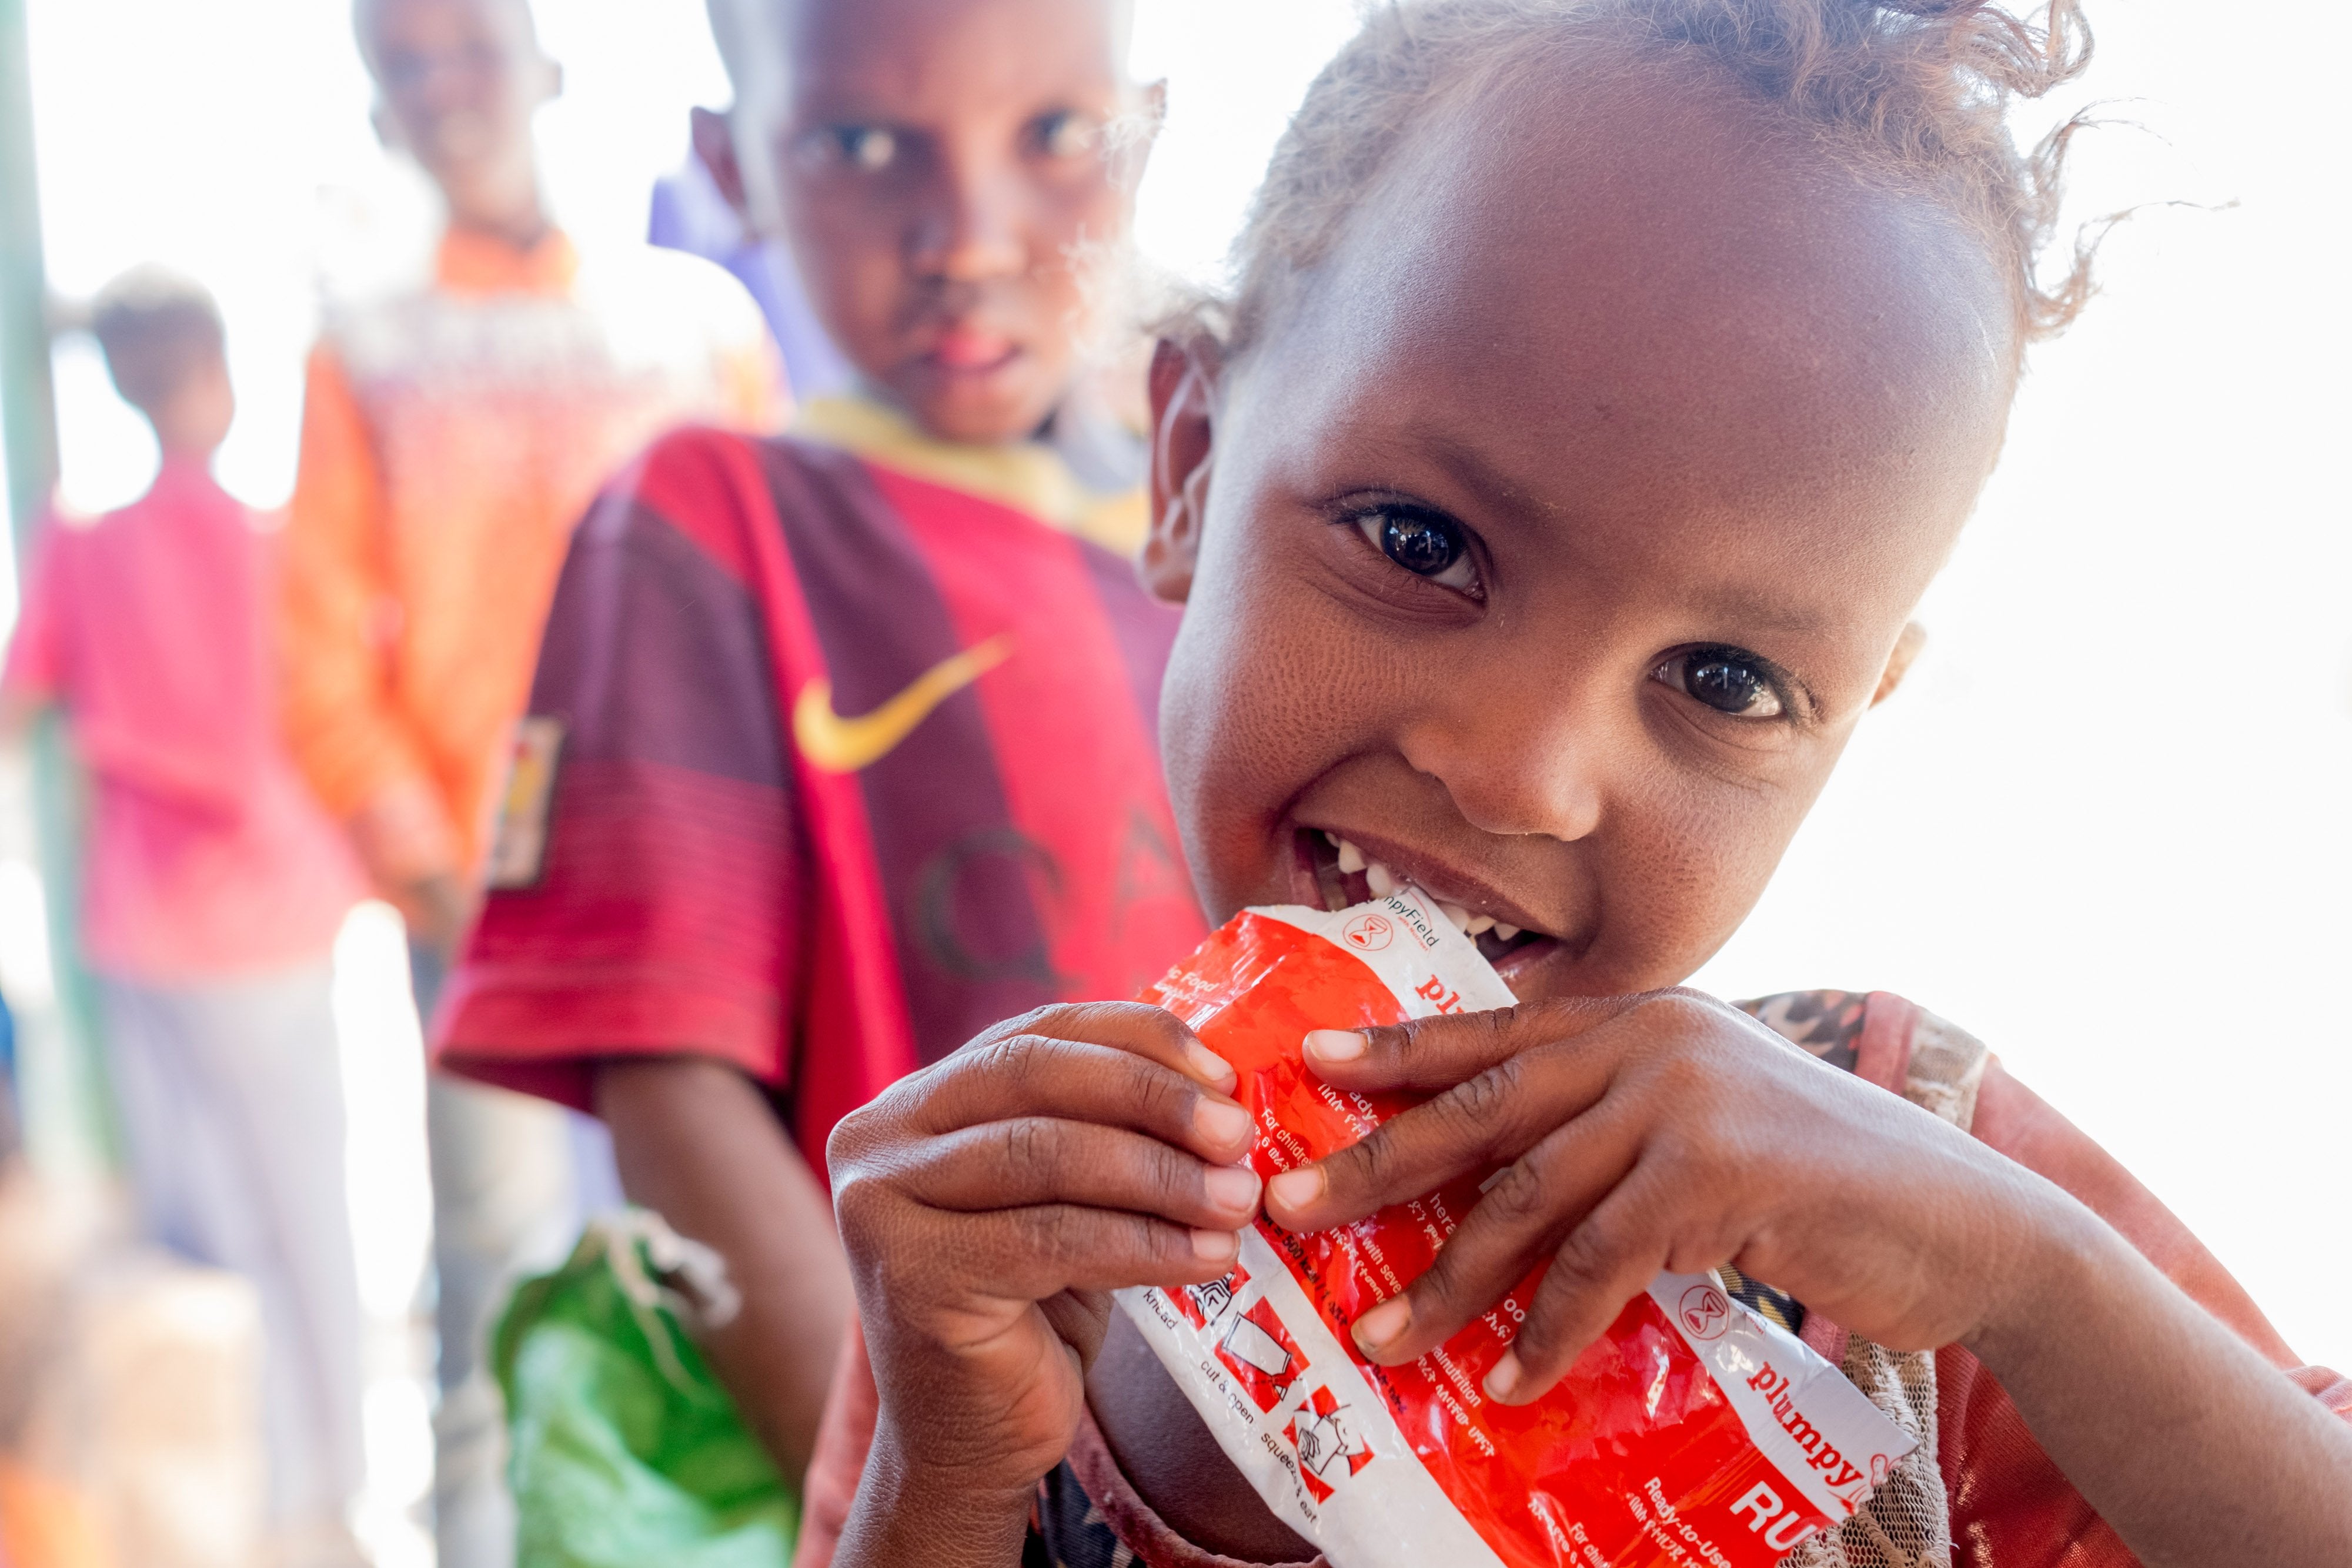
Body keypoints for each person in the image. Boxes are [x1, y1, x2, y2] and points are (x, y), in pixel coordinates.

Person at [804, 1, 2352, 1564]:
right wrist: (938, 1482)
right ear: (1192, 463)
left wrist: (2034, 1284)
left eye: (1727, 680)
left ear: (1846, 724)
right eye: (1421, 543)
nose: (1523, 776)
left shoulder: (1919, 1197)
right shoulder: (997, 1247)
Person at [428, 0, 1206, 1499]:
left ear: (1145, 130)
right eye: (860, 145)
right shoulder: (708, 524)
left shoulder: (1229, 542)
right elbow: (674, 1084)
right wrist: (913, 1493)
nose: (966, 236)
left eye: (1054, 136)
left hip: (1262, 1457)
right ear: (730, 165)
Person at [279, 1, 781, 1561]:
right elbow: (312, 645)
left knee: (735, 1258)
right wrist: (432, 868)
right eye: (403, 64)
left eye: (469, 48)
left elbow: (778, 604)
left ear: (547, 62)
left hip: (698, 886)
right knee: (495, 1277)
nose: (441, 89)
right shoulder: (361, 338)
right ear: (376, 101)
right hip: (479, 892)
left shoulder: (697, 323)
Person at [1, 269, 370, 1568]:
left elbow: (17, 697)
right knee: (301, 1220)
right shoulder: (270, 538)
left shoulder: (82, 543)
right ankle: (322, 1496)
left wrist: (116, 734)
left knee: (205, 1227)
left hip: (148, 932)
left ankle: (257, 1496)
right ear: (213, 372)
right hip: (264, 920)